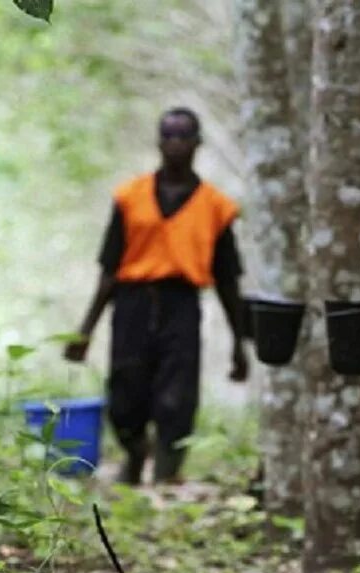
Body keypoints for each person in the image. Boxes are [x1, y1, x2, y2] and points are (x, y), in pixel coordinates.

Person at [65, 107, 249, 485]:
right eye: (168, 136)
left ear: (197, 143)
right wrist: (85, 331)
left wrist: (239, 341)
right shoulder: (130, 197)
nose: (176, 143)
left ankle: (166, 476)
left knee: (177, 396)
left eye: (184, 136)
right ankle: (135, 457)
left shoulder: (215, 206)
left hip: (182, 304)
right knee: (125, 393)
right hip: (132, 302)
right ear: (158, 142)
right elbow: (109, 270)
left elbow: (228, 280)